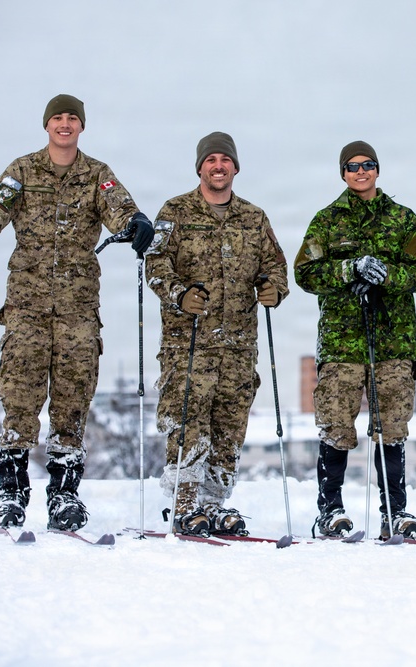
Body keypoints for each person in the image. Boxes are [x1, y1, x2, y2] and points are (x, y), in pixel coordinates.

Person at [0, 94, 154, 531]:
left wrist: (134, 221)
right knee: (20, 394)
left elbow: (119, 207)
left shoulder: (97, 174)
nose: (65, 124)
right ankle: (12, 491)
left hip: (79, 305)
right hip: (26, 302)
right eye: (58, 118)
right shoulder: (22, 170)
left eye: (73, 118)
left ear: (82, 127)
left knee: (72, 398)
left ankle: (65, 494)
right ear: (47, 125)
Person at [145, 131, 289, 537]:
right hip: (189, 343)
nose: (218, 166)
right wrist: (179, 294)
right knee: (189, 422)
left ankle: (213, 504)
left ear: (235, 167)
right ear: (200, 167)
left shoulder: (254, 217)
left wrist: (273, 289)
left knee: (229, 427)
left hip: (239, 345)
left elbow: (276, 266)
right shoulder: (175, 211)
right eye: (211, 160)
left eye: (225, 160)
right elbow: (154, 266)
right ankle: (185, 505)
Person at [295, 140, 416, 539]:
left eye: (368, 165)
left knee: (392, 428)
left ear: (377, 169)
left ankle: (395, 511)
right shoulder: (327, 220)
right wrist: (349, 271)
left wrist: (386, 276)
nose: (361, 172)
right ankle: (331, 510)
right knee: (336, 426)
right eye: (353, 166)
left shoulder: (403, 219)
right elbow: (306, 273)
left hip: (393, 342)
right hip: (342, 344)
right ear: (343, 173)